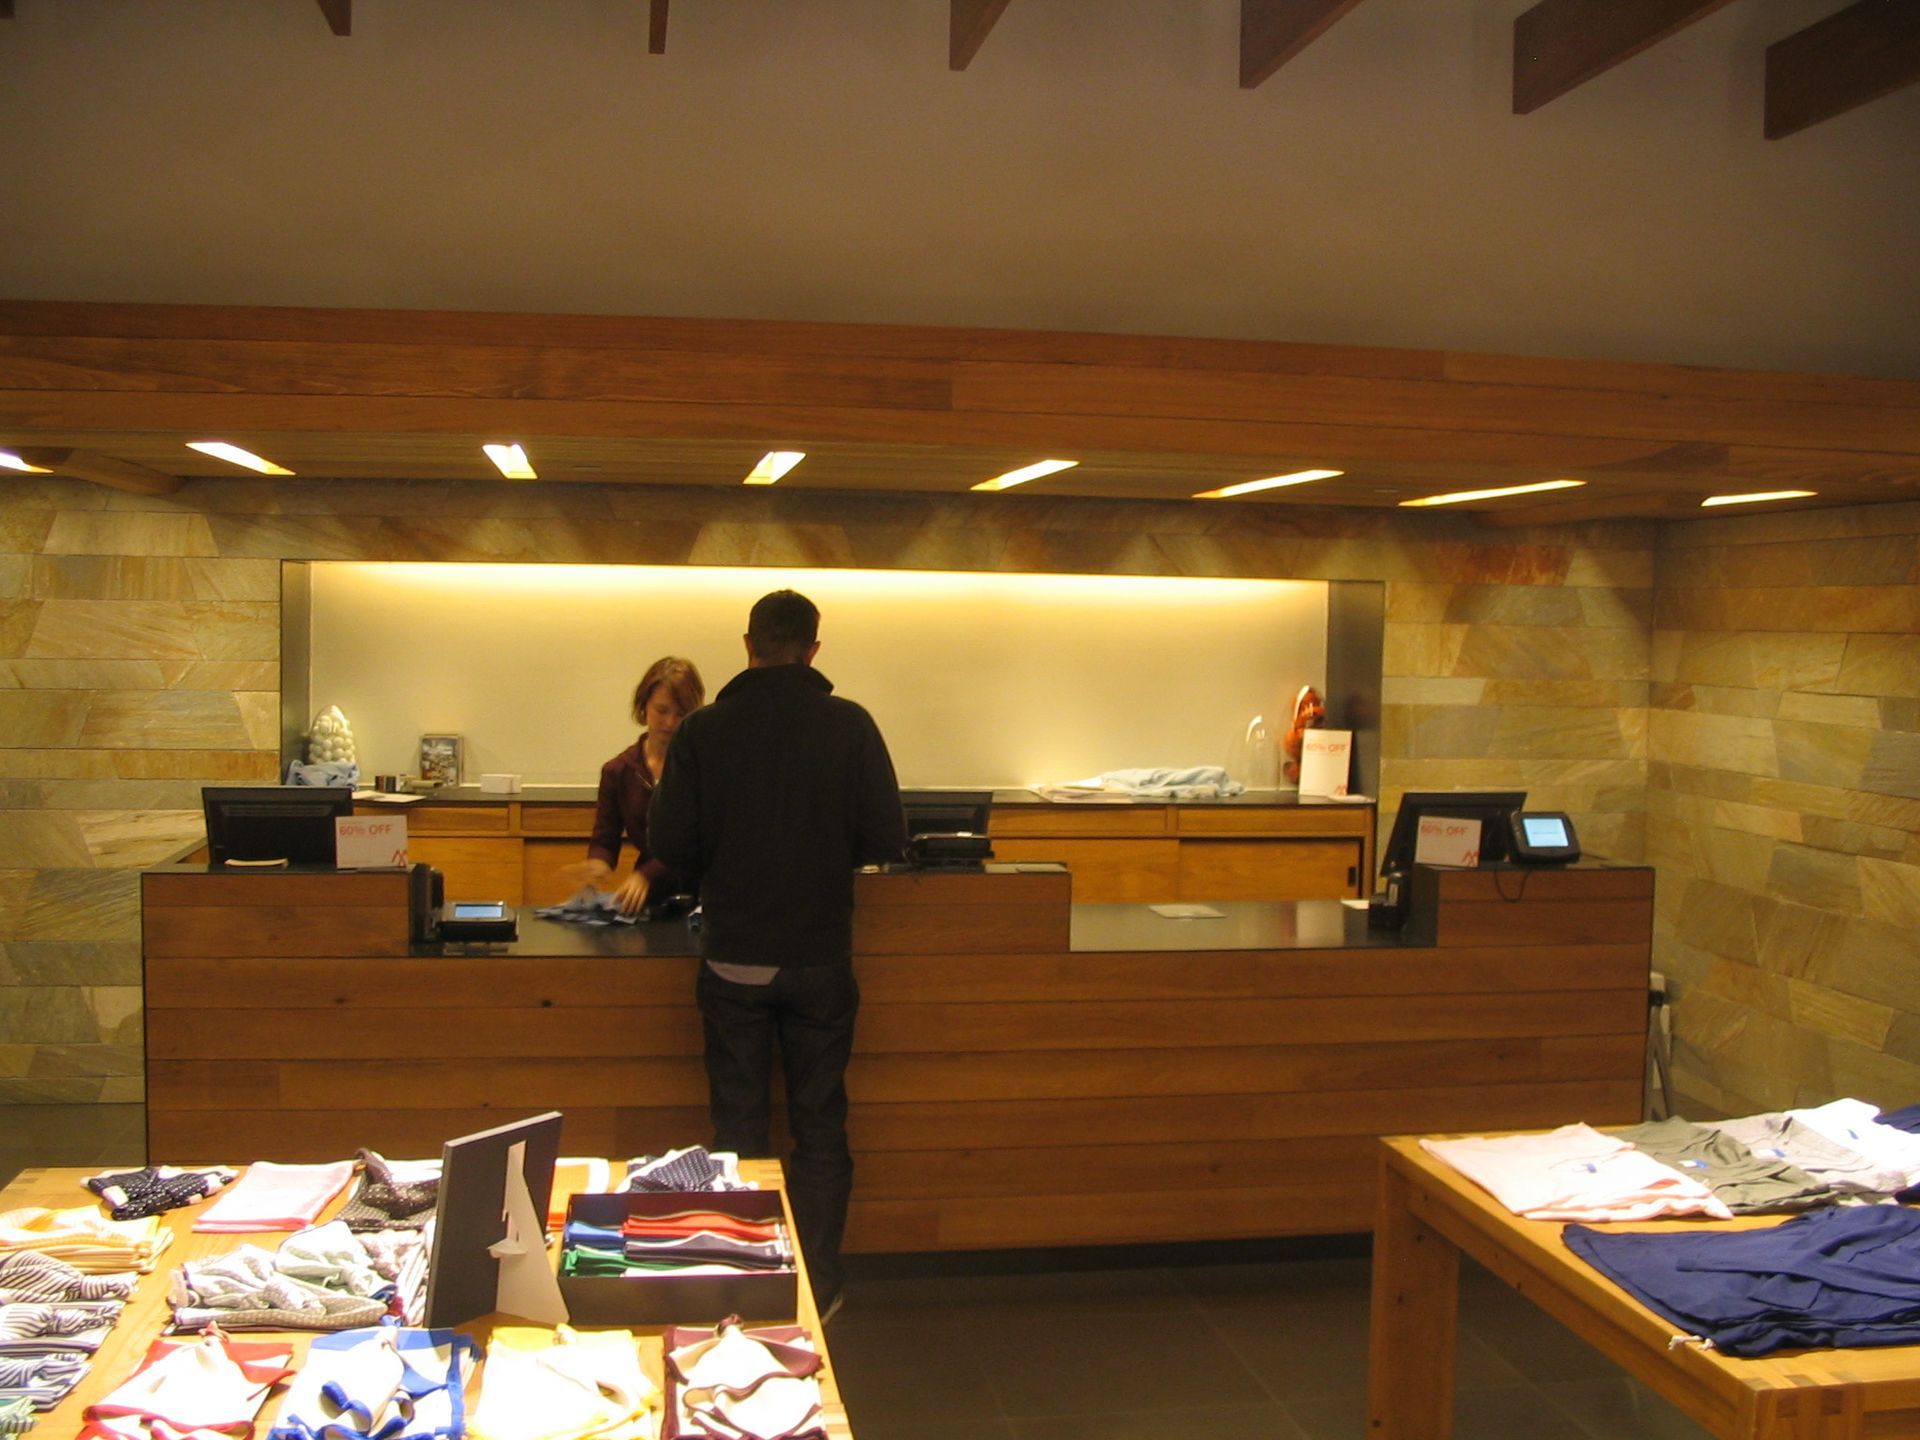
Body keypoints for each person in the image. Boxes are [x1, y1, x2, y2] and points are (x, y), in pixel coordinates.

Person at [647, 590, 906, 1320]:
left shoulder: (704, 732)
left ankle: (746, 1276)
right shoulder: (849, 725)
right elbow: (887, 837)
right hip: (821, 959)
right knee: (821, 1125)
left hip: (734, 961)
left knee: (737, 1130)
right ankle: (818, 1286)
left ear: (748, 644)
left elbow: (670, 845)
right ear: (814, 651)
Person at [574, 655, 704, 916]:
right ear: (643, 707)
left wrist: (646, 874)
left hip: (704, 896)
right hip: (649, 899)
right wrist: (597, 865)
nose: (670, 723)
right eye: (662, 710)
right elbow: (605, 838)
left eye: (681, 714)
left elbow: (694, 839)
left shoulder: (704, 767)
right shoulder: (618, 771)